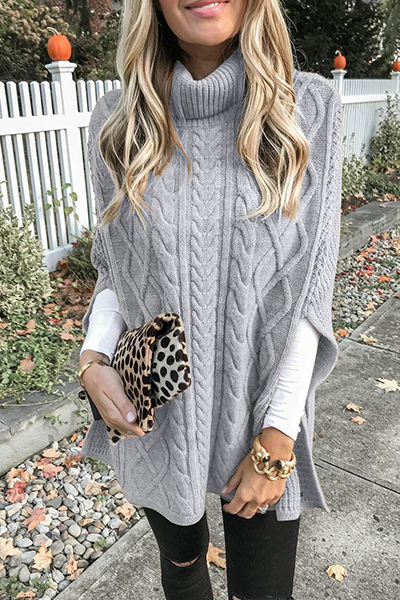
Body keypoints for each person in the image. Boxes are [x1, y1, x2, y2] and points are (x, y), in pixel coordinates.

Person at [78, 1, 343, 599]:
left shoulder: (307, 108)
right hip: (160, 408)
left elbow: (308, 293)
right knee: (183, 567)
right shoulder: (117, 122)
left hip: (261, 406)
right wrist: (93, 359)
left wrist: (278, 438)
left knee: (263, 591)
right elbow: (116, 266)